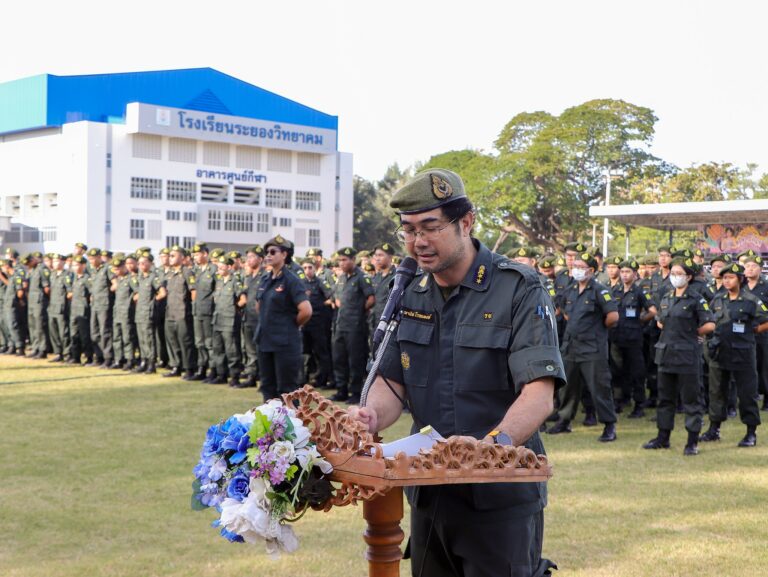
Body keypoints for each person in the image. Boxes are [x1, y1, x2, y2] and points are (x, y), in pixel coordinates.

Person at [349, 169, 562, 577]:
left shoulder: (518, 288)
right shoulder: (409, 289)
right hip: (429, 494)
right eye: (409, 230)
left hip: (499, 498)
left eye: (431, 227)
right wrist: (371, 415)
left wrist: (490, 448)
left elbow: (539, 392)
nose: (418, 242)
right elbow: (392, 380)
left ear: (466, 222)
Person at [644, 257, 714, 455]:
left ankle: (692, 441)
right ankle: (662, 437)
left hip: (687, 354)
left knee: (691, 399)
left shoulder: (696, 298)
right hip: (666, 353)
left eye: (679, 274)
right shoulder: (667, 297)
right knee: (665, 398)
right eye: (673, 273)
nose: (675, 277)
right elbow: (660, 321)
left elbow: (710, 324)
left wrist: (691, 332)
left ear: (689, 277)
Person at [548, 251, 618, 441]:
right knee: (567, 386)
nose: (576, 270)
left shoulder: (600, 290)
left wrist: (595, 329)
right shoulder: (570, 290)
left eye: (581, 267)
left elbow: (612, 317)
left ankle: (609, 425)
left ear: (592, 270)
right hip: (571, 346)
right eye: (575, 267)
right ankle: (564, 420)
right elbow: (564, 311)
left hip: (593, 347)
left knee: (599, 387)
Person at [700, 262, 768, 447]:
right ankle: (714, 429)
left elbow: (765, 321)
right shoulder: (718, 299)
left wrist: (753, 330)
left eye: (730, 277)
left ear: (740, 279)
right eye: (724, 278)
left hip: (743, 353)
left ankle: (751, 433)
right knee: (717, 392)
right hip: (719, 352)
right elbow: (709, 320)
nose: (726, 281)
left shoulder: (751, 300)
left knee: (747, 393)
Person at [255, 235, 312, 401]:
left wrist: (290, 325)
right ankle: (269, 425)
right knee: (267, 387)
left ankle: (290, 426)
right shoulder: (265, 279)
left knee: (287, 390)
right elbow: (259, 305)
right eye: (267, 252)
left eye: (273, 252)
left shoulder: (291, 280)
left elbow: (306, 310)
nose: (268, 255)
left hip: (285, 342)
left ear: (284, 254)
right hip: (265, 340)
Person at [609, 259, 657, 418]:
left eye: (627, 272)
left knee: (637, 372)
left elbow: (652, 311)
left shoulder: (639, 292)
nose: (624, 275)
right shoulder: (614, 291)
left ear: (635, 274)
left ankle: (639, 404)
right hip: (616, 336)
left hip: (633, 337)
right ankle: (620, 400)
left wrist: (641, 320)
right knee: (617, 370)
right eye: (622, 272)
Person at [331, 246, 375, 405]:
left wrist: (358, 310)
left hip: (355, 326)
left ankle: (356, 392)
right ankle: (341, 390)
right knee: (339, 358)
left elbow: (371, 298)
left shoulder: (362, 277)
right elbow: (337, 296)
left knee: (355, 360)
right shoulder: (342, 278)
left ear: (353, 260)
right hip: (341, 325)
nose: (341, 263)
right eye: (340, 260)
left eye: (344, 260)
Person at [191, 243, 217, 381]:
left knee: (209, 343)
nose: (195, 257)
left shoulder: (213, 269)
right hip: (197, 310)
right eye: (194, 254)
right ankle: (202, 367)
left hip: (208, 311)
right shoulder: (196, 270)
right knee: (199, 342)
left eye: (197, 254)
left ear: (205, 254)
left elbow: (217, 290)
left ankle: (213, 369)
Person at [47, 254, 72, 362]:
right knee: (54, 331)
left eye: (57, 261)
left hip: (62, 308)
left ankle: (67, 353)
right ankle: (59, 352)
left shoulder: (67, 275)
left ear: (63, 262)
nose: (55, 263)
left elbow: (70, 292)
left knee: (64, 332)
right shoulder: (52, 275)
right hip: (52, 307)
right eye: (54, 261)